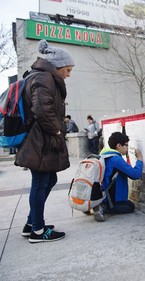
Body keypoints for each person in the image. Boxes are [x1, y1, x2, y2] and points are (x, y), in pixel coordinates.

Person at [15, 39, 74, 243]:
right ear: (58, 66)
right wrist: (57, 131)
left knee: (48, 180)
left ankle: (32, 224)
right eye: (67, 69)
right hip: (40, 140)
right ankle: (38, 232)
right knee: (40, 182)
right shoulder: (43, 78)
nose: (69, 74)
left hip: (41, 139)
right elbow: (42, 109)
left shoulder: (44, 77)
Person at [93, 132, 143, 222]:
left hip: (105, 196)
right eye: (126, 145)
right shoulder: (116, 159)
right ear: (119, 146)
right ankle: (106, 208)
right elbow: (135, 174)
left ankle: (101, 205)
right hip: (114, 201)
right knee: (130, 206)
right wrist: (139, 159)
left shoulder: (104, 155)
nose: (128, 148)